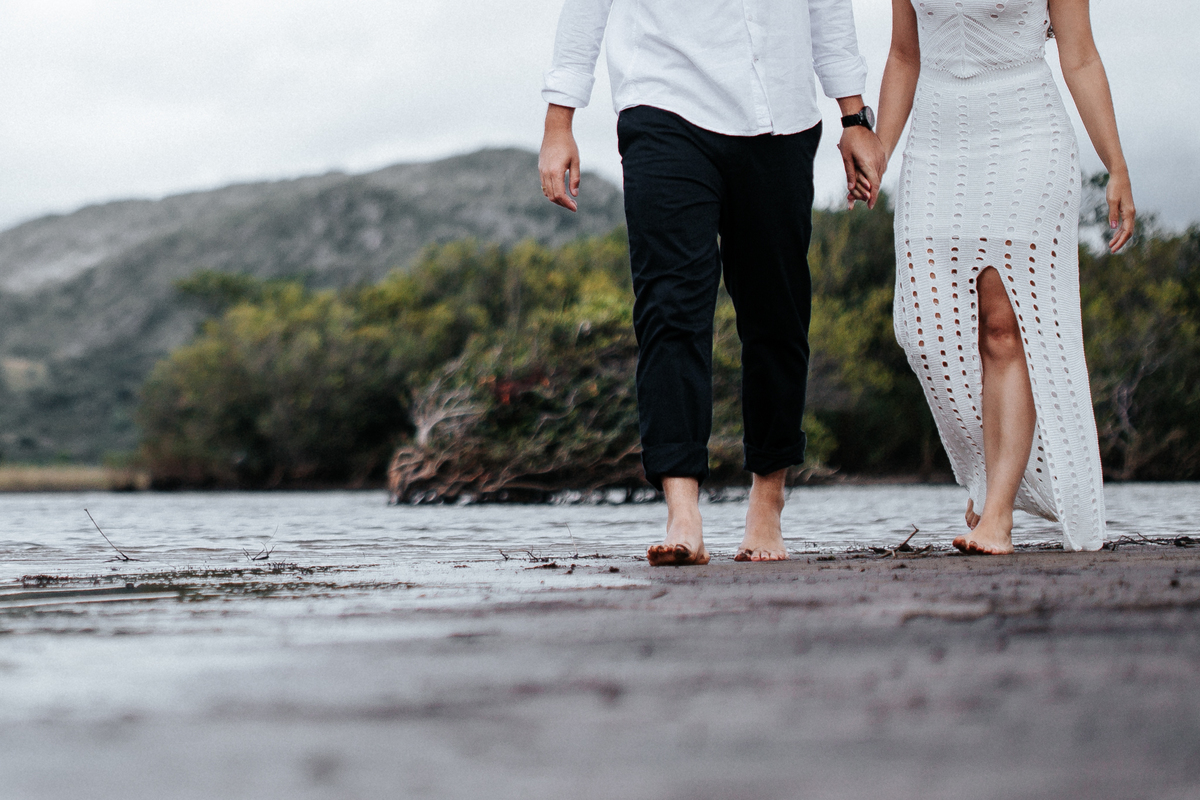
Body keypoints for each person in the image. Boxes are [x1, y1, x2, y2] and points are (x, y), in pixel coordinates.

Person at [538, 1, 886, 566]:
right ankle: (683, 514)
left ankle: (766, 505)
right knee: (670, 307)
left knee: (778, 314)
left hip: (780, 112)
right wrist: (560, 121)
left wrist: (854, 118)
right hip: (664, 100)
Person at [872, 0, 1135, 554]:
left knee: (1002, 327)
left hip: (1026, 134)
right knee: (923, 328)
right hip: (936, 138)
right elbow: (902, 53)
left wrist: (1115, 164)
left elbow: (1080, 56)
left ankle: (997, 515)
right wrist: (881, 150)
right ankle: (987, 474)